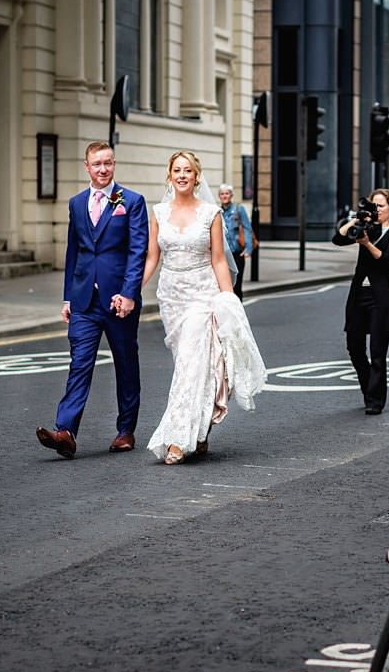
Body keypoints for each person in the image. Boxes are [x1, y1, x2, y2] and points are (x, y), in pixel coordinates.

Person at [140, 151, 267, 464]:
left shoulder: (211, 213)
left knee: (190, 365)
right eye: (177, 170)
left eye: (188, 171)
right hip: (171, 297)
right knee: (191, 366)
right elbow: (152, 257)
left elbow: (219, 260)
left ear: (197, 177)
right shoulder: (157, 212)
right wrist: (130, 291)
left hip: (202, 294)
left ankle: (177, 440)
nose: (182, 175)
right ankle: (200, 431)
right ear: (169, 176)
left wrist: (229, 300)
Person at [36, 141, 149, 459]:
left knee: (125, 363)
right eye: (97, 164)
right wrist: (67, 297)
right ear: (87, 166)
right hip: (84, 300)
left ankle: (126, 430)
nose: (103, 169)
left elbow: (137, 251)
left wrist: (129, 293)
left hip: (118, 300)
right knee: (79, 364)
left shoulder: (132, 201)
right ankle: (66, 432)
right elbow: (73, 252)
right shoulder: (76, 203)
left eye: (108, 163)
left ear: (114, 164)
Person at [332, 188, 389, 415]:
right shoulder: (368, 227)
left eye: (381, 206)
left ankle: (375, 401)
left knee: (377, 351)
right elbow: (338, 239)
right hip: (358, 296)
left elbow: (386, 261)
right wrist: (357, 218)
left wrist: (366, 244)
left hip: (379, 298)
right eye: (374, 205)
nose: (377, 210)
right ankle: (368, 388)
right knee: (354, 347)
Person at [218, 182, 254, 300]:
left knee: (237, 286)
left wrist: (248, 248)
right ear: (219, 196)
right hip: (222, 255)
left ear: (231, 195)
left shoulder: (239, 209)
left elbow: (247, 228)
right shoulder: (217, 211)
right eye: (222, 194)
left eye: (227, 193)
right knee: (224, 286)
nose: (224, 196)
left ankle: (239, 313)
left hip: (236, 252)